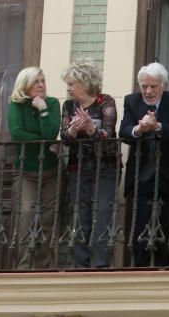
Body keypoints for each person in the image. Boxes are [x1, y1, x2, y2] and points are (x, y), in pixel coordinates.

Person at [119, 62, 169, 267]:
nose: (148, 91)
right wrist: (138, 130)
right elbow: (124, 131)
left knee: (167, 223)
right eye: (144, 86)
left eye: (153, 87)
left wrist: (158, 127)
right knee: (141, 222)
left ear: (163, 86)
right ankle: (139, 266)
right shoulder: (132, 101)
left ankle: (164, 266)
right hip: (143, 173)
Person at [60, 60, 117, 268]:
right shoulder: (68, 106)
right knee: (79, 212)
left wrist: (92, 129)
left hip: (105, 167)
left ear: (84, 83)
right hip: (78, 167)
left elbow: (109, 135)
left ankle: (101, 264)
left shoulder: (105, 102)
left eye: (71, 84)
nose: (68, 88)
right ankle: (80, 265)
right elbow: (64, 136)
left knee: (103, 211)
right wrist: (74, 130)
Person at [8, 67, 61, 269]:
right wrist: (45, 142)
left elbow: (51, 132)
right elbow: (17, 133)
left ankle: (44, 267)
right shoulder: (16, 104)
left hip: (51, 171)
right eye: (36, 81)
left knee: (48, 218)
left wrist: (43, 109)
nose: (41, 84)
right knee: (26, 213)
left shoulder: (53, 103)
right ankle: (23, 266)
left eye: (43, 80)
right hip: (25, 172)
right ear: (25, 85)